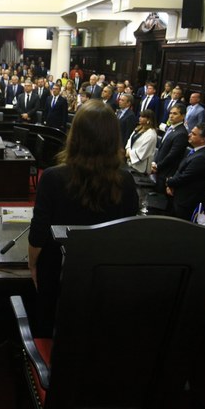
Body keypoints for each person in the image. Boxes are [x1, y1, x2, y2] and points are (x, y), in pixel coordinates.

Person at [29, 100, 139, 336]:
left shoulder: (52, 177)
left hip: (57, 274)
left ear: (75, 135)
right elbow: (128, 236)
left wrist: (32, 265)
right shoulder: (126, 181)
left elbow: (38, 235)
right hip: (103, 277)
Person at [165, 123, 205, 220]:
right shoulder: (196, 151)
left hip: (186, 200)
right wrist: (171, 184)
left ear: (203, 139)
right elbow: (180, 169)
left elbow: (185, 177)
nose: (189, 135)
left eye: (193, 134)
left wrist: (169, 182)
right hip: (179, 193)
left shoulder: (203, 157)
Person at [151, 103, 189, 192]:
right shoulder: (170, 128)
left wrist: (157, 166)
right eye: (170, 113)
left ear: (183, 116)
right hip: (158, 169)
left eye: (175, 114)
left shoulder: (181, 133)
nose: (171, 116)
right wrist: (154, 162)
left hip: (166, 173)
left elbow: (172, 155)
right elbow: (161, 149)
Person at [125, 109, 158, 174]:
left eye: (143, 117)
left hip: (141, 169)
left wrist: (129, 154)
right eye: (140, 116)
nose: (140, 118)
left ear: (149, 120)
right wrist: (128, 150)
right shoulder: (138, 128)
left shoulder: (151, 134)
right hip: (130, 163)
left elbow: (142, 151)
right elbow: (130, 140)